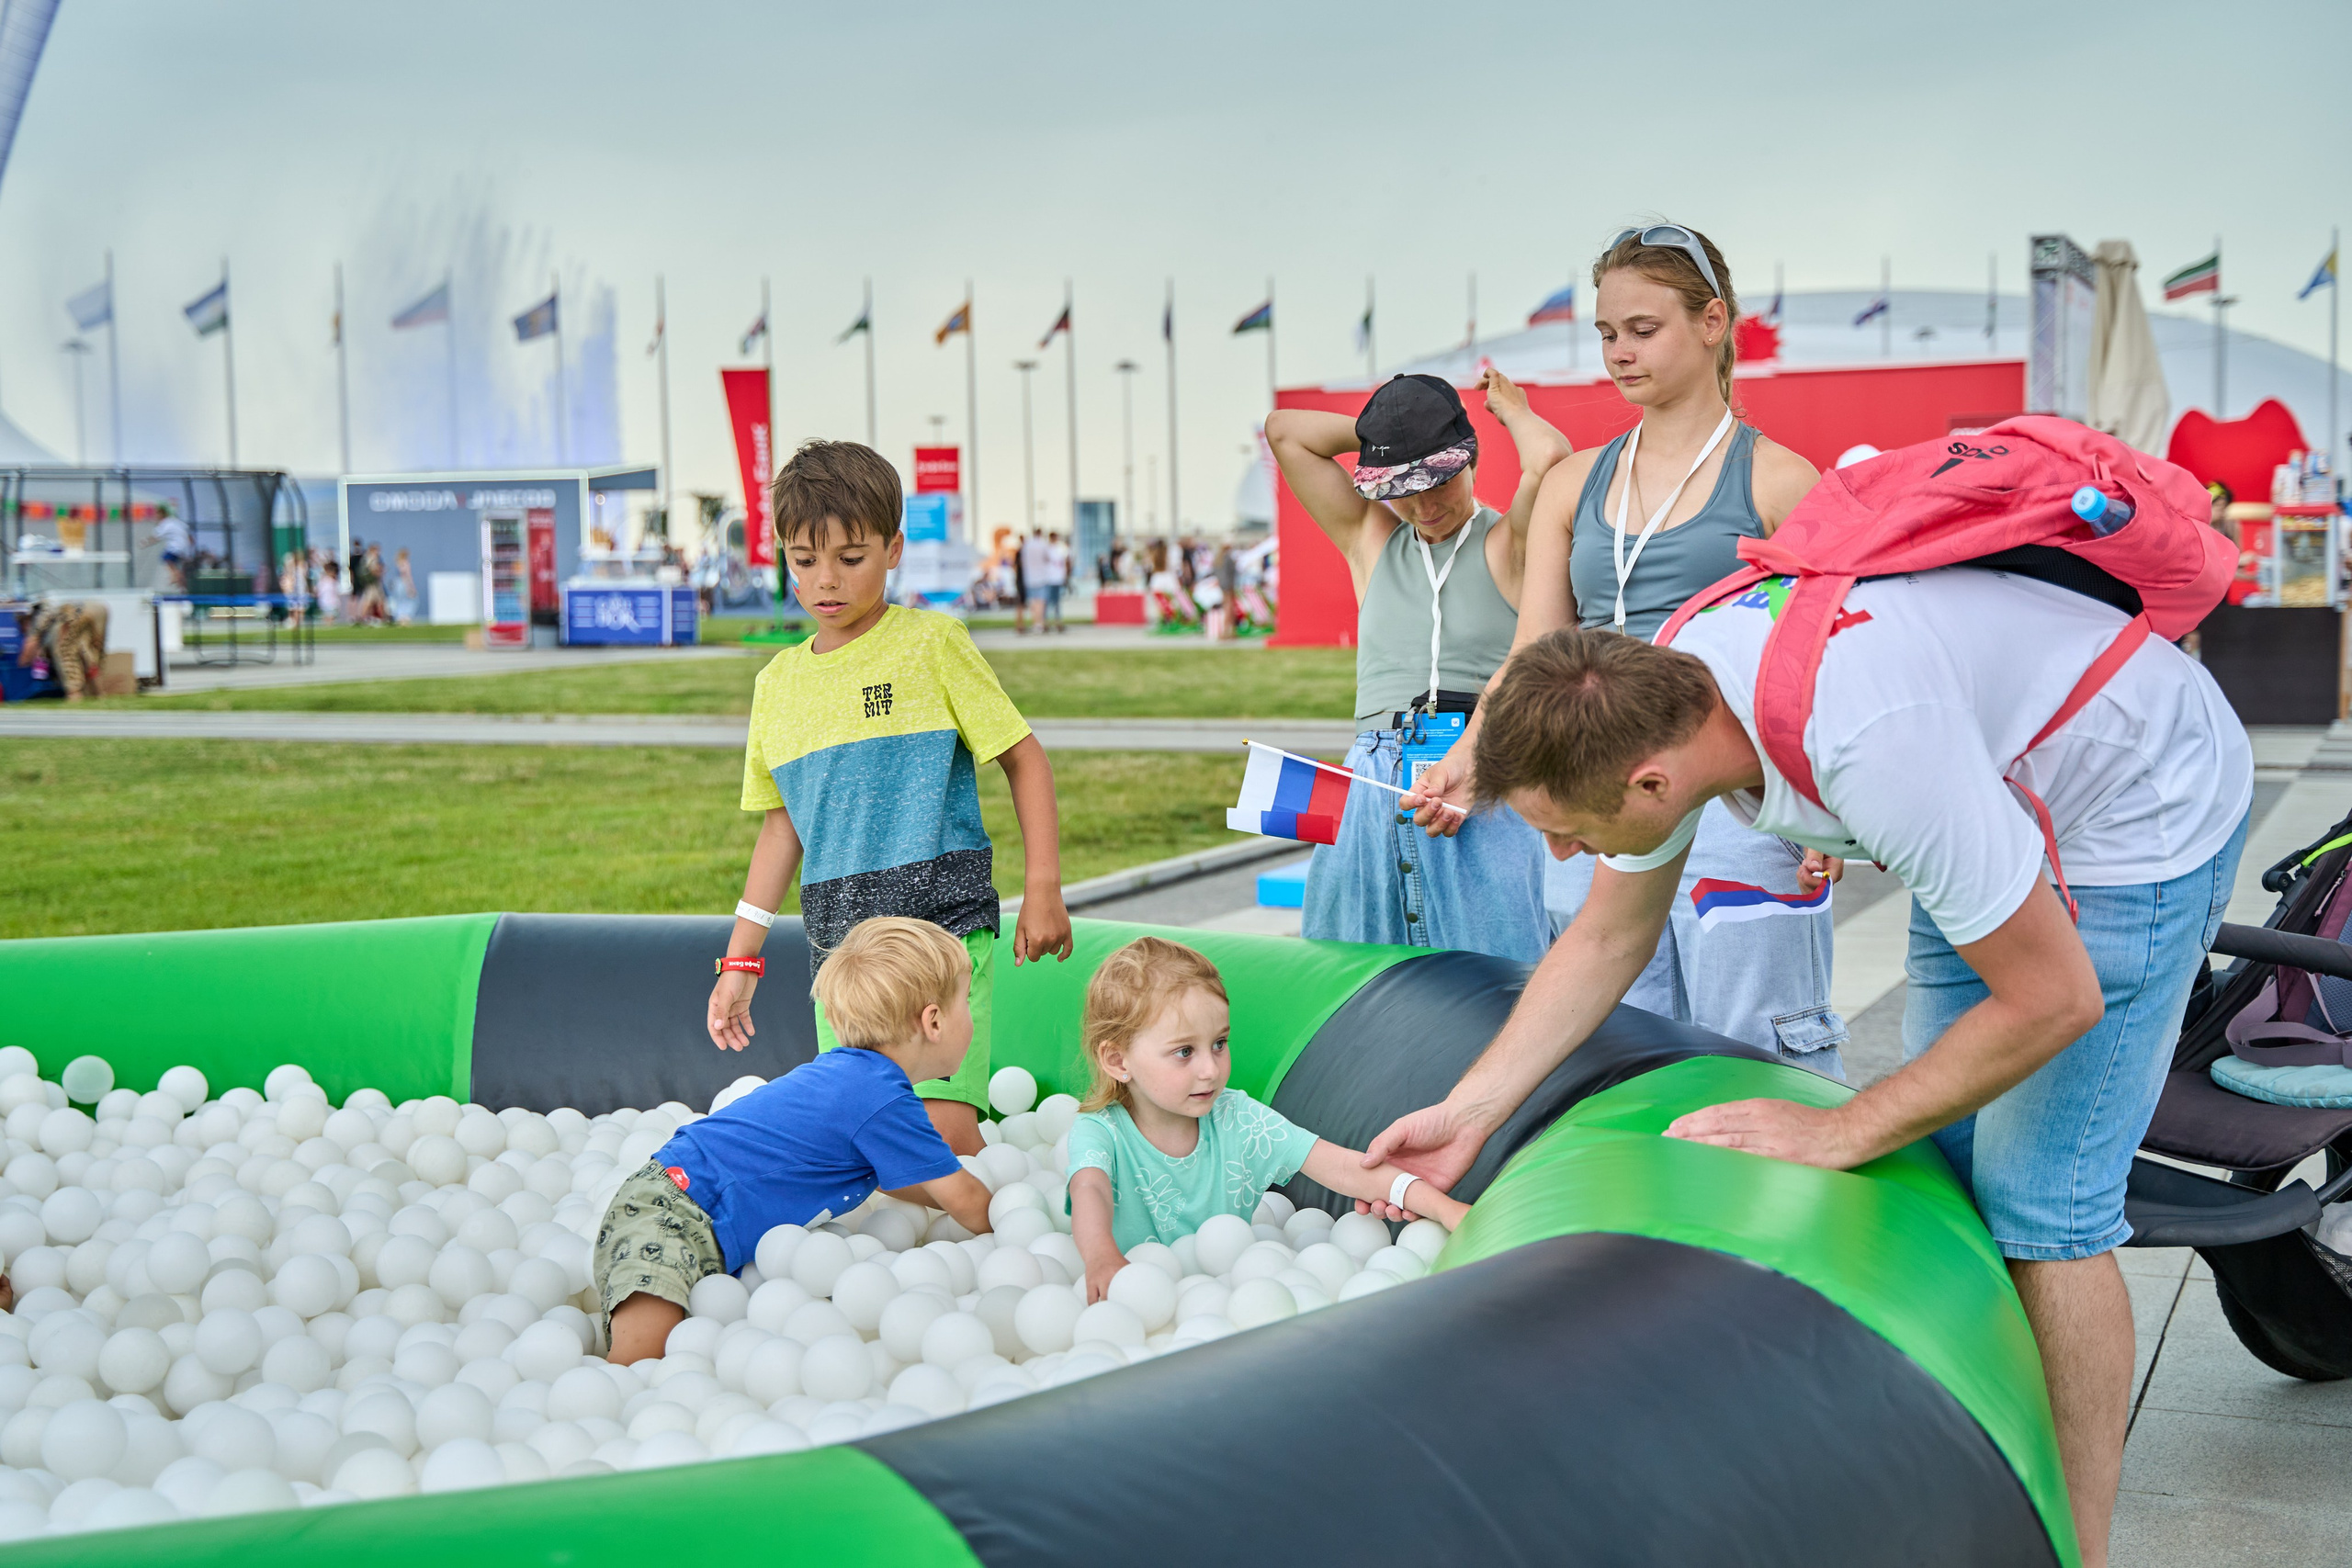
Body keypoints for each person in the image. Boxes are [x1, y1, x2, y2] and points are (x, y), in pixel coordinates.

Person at [1369, 595, 2251, 1566]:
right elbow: (1609, 933)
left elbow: (2052, 1002)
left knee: (2043, 1209)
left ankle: (2073, 1552)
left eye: (1567, 831)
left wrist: (1843, 1128)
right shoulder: (1655, 699)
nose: (1561, 856)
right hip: (1990, 786)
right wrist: (1470, 1111)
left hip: (2140, 798)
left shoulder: (1871, 748)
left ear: (1652, 784)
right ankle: (1982, 1474)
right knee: (1955, 1161)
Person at [1415, 225, 1847, 1075]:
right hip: (1593, 792)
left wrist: (1820, 802)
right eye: (1608, 332)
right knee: (1612, 1056)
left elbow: (1820, 663)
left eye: (1643, 329)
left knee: (1761, 1051)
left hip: (1732, 800)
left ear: (1712, 321)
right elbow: (1534, 650)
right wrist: (1474, 751)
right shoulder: (1575, 482)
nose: (1619, 352)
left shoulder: (1781, 481)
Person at [707, 439, 1074, 1158]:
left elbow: (1024, 759)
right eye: (804, 559)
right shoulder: (776, 686)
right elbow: (783, 829)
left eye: (851, 557)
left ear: (895, 547)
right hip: (842, 956)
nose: (825, 580)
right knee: (862, 1141)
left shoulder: (933, 643)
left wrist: (1043, 887)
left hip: (943, 932)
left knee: (944, 1135)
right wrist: (740, 962)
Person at [1264, 368, 1573, 961]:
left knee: (1496, 975)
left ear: (1468, 459)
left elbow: (1551, 460)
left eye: (1439, 479)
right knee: (1350, 969)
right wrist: (1385, 436)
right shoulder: (1370, 537)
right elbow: (1286, 433)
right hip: (1372, 777)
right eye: (1403, 486)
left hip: (1479, 770)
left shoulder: (1507, 542)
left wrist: (1512, 411)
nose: (1425, 503)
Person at [603, 918, 998, 1362]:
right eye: (968, 1002)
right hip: (674, 1209)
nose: (976, 1015)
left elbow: (891, 1178)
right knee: (637, 1363)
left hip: (679, 1198)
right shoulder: (882, 1097)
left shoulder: (853, 1079)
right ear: (934, 1021)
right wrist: (1009, 1221)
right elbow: (966, 1200)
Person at [1067, 937, 1467, 1301]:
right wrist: (1102, 1257)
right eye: (1184, 1051)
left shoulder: (1239, 1119)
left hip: (1238, 1295)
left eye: (1219, 1043)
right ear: (1118, 1060)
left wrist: (1445, 1209)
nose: (1210, 1069)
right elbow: (1090, 1189)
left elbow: (1347, 1169)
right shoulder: (1101, 1131)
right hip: (1138, 1294)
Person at [17, 599, 108, 701]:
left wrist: (19, 666)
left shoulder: (37, 619)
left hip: (72, 617)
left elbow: (29, 647)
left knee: (65, 652)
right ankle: (99, 694)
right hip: (97, 608)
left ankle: (74, 695)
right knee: (90, 655)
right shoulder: (51, 608)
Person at [143, 510, 192, 593]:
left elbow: (156, 537)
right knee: (173, 565)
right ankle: (180, 585)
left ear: (161, 515)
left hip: (175, 547)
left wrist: (145, 543)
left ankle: (175, 578)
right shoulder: (174, 521)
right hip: (183, 548)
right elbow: (188, 534)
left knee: (167, 561)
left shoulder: (165, 524)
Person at [1040, 531, 1070, 632]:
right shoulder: (1047, 549)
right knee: (1048, 602)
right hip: (1049, 579)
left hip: (1057, 579)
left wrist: (1064, 576)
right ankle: (1046, 623)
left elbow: (1064, 563)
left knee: (1056, 603)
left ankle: (1057, 623)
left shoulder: (1060, 549)